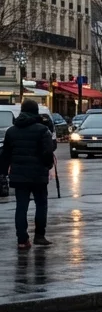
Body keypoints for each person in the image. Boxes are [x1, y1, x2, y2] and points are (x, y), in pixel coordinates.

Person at [0, 100, 55, 249]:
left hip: (19, 175)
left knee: (21, 207)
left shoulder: (11, 131)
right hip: (38, 175)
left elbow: (5, 155)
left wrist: (3, 172)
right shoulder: (42, 130)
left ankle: (22, 240)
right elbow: (48, 151)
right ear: (36, 112)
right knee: (41, 205)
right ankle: (39, 236)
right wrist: (48, 165)